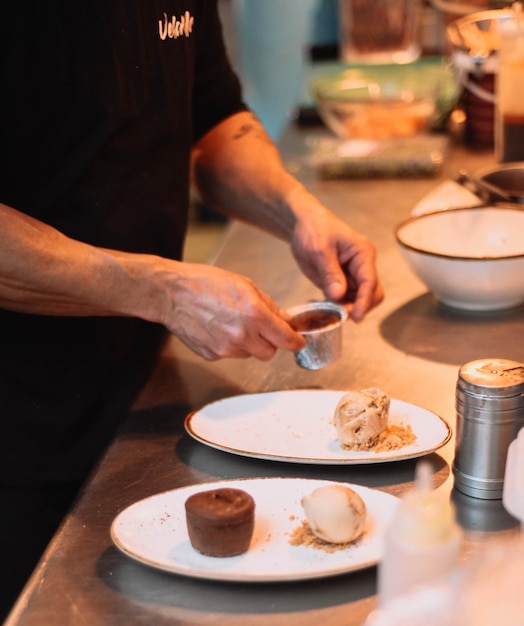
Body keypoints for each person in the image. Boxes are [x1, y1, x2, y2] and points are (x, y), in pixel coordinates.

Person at [0, 1, 383, 618]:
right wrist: (163, 291)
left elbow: (214, 122)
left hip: (139, 386)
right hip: (16, 430)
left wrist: (295, 212)